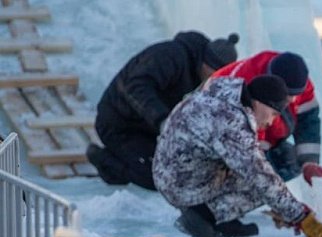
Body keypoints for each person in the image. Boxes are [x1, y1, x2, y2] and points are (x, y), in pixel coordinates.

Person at [153, 74, 322, 237]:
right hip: (181, 184)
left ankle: (222, 219)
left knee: (259, 171)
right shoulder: (231, 121)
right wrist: (300, 216)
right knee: (265, 179)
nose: (271, 122)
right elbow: (260, 176)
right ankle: (204, 215)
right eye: (273, 114)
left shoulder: (224, 93)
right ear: (260, 103)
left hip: (171, 169)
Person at [87, 31, 240, 191]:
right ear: (205, 62)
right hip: (119, 123)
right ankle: (103, 159)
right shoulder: (170, 55)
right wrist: (162, 119)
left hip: (150, 130)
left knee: (181, 173)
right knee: (157, 177)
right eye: (212, 72)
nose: (212, 79)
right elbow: (135, 87)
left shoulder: (206, 81)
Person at [212, 51, 322, 184]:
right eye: (288, 95)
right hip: (222, 145)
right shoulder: (240, 85)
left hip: (268, 141)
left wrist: (309, 162)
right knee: (251, 181)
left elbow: (308, 121)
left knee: (290, 162)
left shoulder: (298, 80)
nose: (293, 100)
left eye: (296, 95)